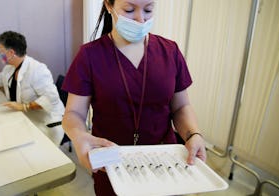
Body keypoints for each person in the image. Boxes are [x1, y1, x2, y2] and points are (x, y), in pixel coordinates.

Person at [61, 0, 206, 195]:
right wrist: (79, 137)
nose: (140, 19)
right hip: (112, 163)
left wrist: (193, 134)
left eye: (148, 9)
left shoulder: (169, 51)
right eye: (129, 10)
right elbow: (73, 113)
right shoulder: (89, 56)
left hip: (163, 160)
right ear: (109, 6)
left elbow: (180, 107)